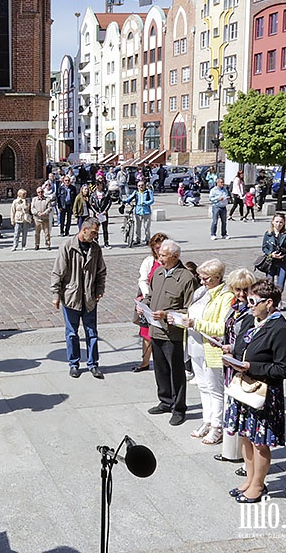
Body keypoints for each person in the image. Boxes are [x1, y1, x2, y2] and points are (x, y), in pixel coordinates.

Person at [223, 279, 286, 504]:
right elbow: (243, 347)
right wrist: (232, 351)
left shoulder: (281, 329)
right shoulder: (251, 320)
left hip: (263, 393)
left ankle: (258, 485)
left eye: (254, 301)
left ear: (269, 303)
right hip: (244, 389)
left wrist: (251, 367)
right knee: (245, 437)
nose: (249, 304)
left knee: (260, 442)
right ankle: (249, 479)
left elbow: (285, 367)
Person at [142, 240, 198, 426]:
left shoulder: (186, 278)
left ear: (175, 257)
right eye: (159, 254)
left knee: (176, 372)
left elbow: (190, 309)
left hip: (172, 333)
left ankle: (179, 407)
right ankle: (165, 401)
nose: (159, 258)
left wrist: (167, 314)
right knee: (160, 369)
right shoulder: (157, 273)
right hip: (155, 330)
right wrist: (145, 304)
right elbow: (151, 295)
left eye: (163, 255)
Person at [183, 259, 233, 446]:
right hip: (195, 344)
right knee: (203, 386)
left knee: (215, 388)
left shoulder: (226, 296)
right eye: (201, 277)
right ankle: (208, 420)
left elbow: (223, 327)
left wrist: (196, 324)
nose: (202, 281)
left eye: (206, 278)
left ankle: (218, 426)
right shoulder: (200, 292)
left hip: (211, 347)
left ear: (217, 278)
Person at [50, 218, 107, 379]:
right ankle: (74, 364)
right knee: (72, 333)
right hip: (71, 298)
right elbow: (57, 272)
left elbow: (101, 272)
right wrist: (56, 295)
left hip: (89, 298)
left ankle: (93, 364)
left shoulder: (95, 249)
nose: (96, 236)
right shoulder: (68, 246)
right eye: (94, 232)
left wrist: (100, 289)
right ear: (84, 230)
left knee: (92, 333)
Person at [215, 268, 258, 465]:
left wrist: (231, 347)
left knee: (243, 412)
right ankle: (231, 452)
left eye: (245, 290)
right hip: (229, 363)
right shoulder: (234, 307)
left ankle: (245, 458)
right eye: (237, 289)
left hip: (242, 364)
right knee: (232, 409)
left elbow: (251, 340)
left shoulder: (252, 311)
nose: (241, 294)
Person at [132, 233, 168, 373]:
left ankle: (163, 362)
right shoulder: (149, 261)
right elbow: (142, 279)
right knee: (146, 333)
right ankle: (145, 361)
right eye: (156, 248)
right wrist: (147, 296)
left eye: (161, 247)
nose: (158, 251)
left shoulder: (171, 260)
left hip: (165, 302)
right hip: (149, 301)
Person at [123, 180, 154, 246]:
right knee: (138, 227)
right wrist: (124, 201)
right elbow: (130, 198)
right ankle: (137, 239)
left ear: (145, 185)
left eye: (142, 185)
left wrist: (146, 203)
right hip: (138, 211)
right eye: (139, 186)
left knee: (146, 227)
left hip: (146, 211)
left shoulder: (148, 192)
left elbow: (152, 200)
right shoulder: (136, 192)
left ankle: (148, 239)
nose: (141, 187)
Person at [91, 180, 112, 249]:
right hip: (97, 214)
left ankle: (106, 242)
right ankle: (96, 242)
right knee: (96, 229)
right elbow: (91, 204)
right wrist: (95, 212)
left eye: (99, 185)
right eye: (97, 185)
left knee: (105, 229)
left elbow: (109, 202)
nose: (98, 186)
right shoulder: (93, 194)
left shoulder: (105, 193)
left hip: (103, 213)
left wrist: (105, 210)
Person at [31, 186, 52, 251]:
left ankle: (48, 244)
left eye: (41, 192)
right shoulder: (34, 199)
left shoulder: (47, 199)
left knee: (47, 233)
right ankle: (37, 244)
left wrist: (44, 213)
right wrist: (37, 213)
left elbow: (49, 208)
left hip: (45, 218)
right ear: (37, 193)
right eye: (39, 192)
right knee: (37, 233)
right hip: (37, 219)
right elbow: (32, 208)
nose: (40, 193)